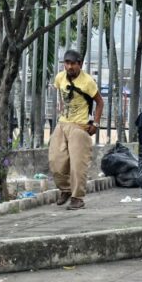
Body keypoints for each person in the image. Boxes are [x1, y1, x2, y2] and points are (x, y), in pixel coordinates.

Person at [48, 50, 103, 211]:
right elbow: (61, 95)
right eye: (67, 63)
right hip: (63, 123)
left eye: (73, 63)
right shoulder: (60, 77)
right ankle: (65, 189)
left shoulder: (88, 82)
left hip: (80, 126)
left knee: (78, 164)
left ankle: (77, 198)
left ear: (80, 64)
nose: (69, 66)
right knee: (55, 160)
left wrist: (96, 124)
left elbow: (100, 103)